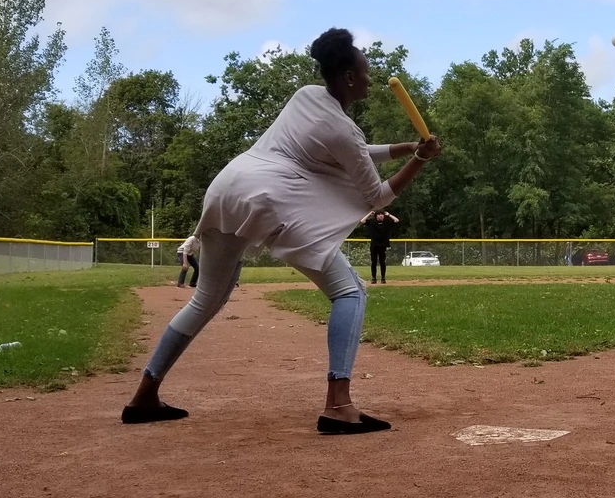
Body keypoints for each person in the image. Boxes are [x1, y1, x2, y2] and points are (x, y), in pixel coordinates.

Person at [122, 28, 441, 434]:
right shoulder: (343, 129)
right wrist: (421, 161)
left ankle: (144, 394)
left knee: (205, 299)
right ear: (347, 77)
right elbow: (377, 196)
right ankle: (339, 405)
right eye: (364, 71)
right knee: (350, 291)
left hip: (227, 187)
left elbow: (354, 152)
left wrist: (405, 149)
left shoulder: (307, 95)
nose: (370, 78)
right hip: (268, 199)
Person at [362, 209, 399, 283]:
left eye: (382, 214)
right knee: (374, 262)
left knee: (382, 262)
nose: (381, 215)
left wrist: (388, 214)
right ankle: (374, 278)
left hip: (383, 245)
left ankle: (383, 278)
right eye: (379, 214)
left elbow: (396, 220)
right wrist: (369, 214)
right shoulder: (372, 222)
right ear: (376, 216)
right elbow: (362, 221)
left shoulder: (386, 222)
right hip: (374, 245)